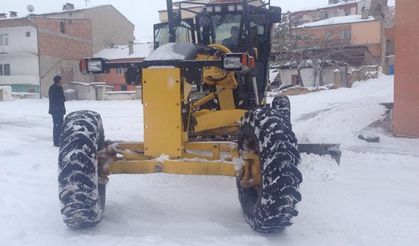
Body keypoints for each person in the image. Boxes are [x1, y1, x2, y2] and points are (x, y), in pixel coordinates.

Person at [49, 75, 66, 147]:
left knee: (60, 126)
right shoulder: (53, 88)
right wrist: (62, 98)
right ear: (58, 81)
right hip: (55, 110)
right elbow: (54, 99)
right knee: (57, 126)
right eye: (61, 80)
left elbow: (61, 98)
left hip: (60, 109)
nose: (62, 81)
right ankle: (56, 142)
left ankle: (60, 140)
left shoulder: (60, 88)